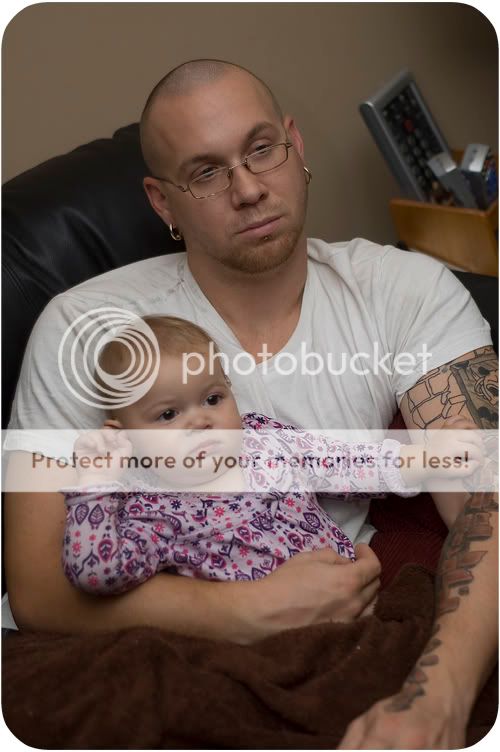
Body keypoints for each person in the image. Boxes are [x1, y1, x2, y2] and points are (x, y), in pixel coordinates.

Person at [4, 58, 497, 748]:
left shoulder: (407, 291)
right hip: (157, 642)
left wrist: (438, 699)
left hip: (335, 623)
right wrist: (241, 611)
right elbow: (37, 592)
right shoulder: (83, 327)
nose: (248, 189)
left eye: (262, 149)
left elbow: (485, 500)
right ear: (162, 203)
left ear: (295, 145)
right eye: (206, 172)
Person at [62, 315, 482, 594]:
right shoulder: (147, 507)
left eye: (212, 398)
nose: (201, 421)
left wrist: (428, 457)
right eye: (168, 414)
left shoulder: (263, 441)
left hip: (349, 598)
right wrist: (95, 484)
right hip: (259, 638)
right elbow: (97, 572)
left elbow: (349, 463)